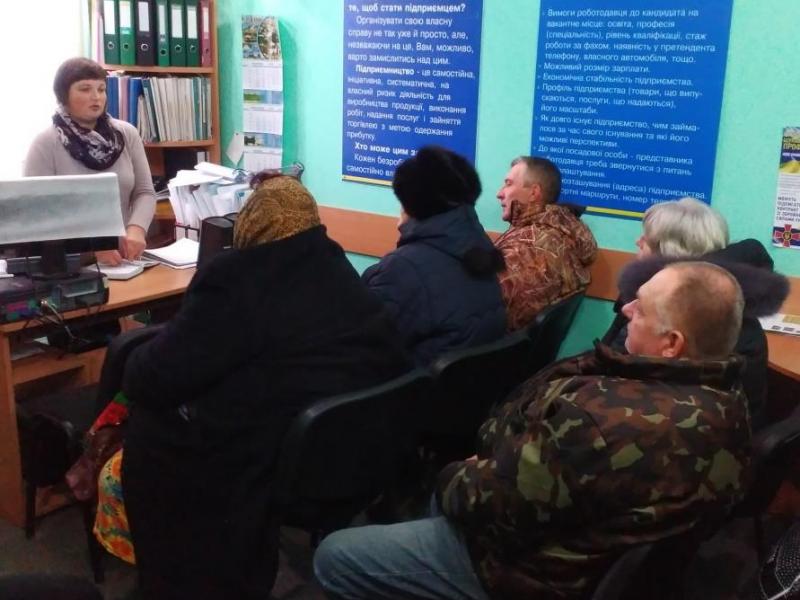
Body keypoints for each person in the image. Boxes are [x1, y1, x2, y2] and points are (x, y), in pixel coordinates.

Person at [314, 261, 758, 600]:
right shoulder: (730, 402)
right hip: (587, 551)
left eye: (640, 308)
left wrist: (458, 473)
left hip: (529, 571)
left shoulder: (601, 422)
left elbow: (496, 503)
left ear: (671, 344)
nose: (625, 309)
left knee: (334, 554)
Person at [114, 173, 411, 599]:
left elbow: (152, 378)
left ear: (251, 223)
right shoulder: (340, 268)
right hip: (342, 451)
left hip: (257, 457)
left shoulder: (234, 277)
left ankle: (167, 579)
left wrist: (142, 351)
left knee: (147, 421)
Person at [602, 196, 777, 420]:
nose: (638, 241)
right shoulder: (726, 302)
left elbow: (616, 380)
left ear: (668, 251)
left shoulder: (692, 316)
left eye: (646, 238)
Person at [362, 146, 506, 365]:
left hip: (416, 385)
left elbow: (363, 352)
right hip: (473, 385)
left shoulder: (402, 269)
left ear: (410, 204)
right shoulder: (480, 249)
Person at [23, 57, 155, 265]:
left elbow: (145, 192)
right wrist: (92, 246)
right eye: (85, 89)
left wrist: (137, 228)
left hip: (123, 260)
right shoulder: (46, 143)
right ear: (64, 95)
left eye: (101, 89)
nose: (96, 97)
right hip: (68, 264)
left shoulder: (126, 134)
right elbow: (37, 213)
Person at [494, 156, 597, 331]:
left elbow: (476, 305)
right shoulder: (562, 234)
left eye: (508, 184)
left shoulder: (526, 248)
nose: (499, 193)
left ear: (534, 193)